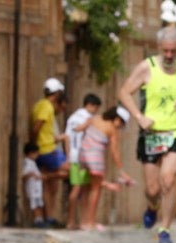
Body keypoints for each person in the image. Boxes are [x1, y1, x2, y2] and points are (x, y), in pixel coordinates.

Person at [119, 27, 176, 243]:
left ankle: (165, 229)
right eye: (166, 51)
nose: (170, 56)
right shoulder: (147, 67)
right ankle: (152, 206)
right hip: (152, 133)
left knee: (168, 179)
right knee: (152, 189)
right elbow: (124, 92)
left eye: (174, 51)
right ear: (159, 48)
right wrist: (138, 116)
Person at [76, 106, 133, 231]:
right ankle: (90, 223)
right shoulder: (112, 129)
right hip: (95, 159)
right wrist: (121, 170)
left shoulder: (94, 118)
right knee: (95, 190)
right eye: (121, 124)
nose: (120, 127)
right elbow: (115, 152)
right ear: (117, 119)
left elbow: (80, 128)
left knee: (86, 188)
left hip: (82, 156)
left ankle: (83, 221)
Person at [30, 78, 68, 226]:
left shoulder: (40, 105)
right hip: (47, 149)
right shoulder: (47, 106)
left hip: (44, 148)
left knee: (49, 187)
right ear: (57, 93)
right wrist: (33, 143)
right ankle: (45, 176)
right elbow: (37, 127)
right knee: (71, 170)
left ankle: (49, 217)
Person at [64, 92, 103, 230]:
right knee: (82, 189)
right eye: (96, 108)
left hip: (74, 156)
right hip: (84, 157)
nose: (96, 111)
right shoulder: (88, 119)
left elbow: (67, 138)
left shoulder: (72, 118)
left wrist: (68, 157)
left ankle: (75, 221)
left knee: (78, 188)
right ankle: (81, 221)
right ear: (91, 105)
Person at [21, 141, 47, 228]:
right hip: (32, 189)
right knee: (35, 205)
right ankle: (37, 220)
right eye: (36, 153)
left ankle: (40, 219)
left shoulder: (33, 163)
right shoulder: (27, 162)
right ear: (31, 153)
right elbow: (24, 175)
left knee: (39, 204)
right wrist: (32, 175)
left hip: (37, 189)